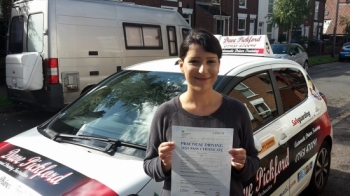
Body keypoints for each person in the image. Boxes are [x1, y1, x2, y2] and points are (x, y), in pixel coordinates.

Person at [143, 29, 260, 196]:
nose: (203, 70)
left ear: (219, 65)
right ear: (182, 65)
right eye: (195, 61)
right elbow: (149, 165)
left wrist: (243, 164)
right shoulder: (165, 113)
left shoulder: (237, 110)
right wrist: (163, 163)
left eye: (211, 61)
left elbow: (253, 163)